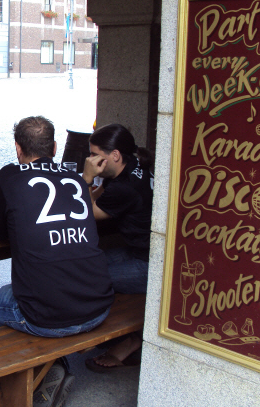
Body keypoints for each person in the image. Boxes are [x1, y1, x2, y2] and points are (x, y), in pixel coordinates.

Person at [0, 116, 114, 407]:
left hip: (45, 318)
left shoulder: (9, 175)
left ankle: (44, 372)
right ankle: (51, 364)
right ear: (55, 148)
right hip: (98, 308)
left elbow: (2, 234)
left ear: (18, 149)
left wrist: (3, 221)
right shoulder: (76, 180)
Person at [81, 123, 154, 371]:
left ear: (114, 155)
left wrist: (87, 178)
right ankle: (110, 332)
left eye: (94, 154)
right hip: (141, 251)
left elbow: (86, 213)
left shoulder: (125, 187)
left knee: (90, 279)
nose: (90, 160)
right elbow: (96, 197)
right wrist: (93, 185)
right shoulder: (132, 165)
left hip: (150, 264)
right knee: (86, 264)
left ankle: (129, 339)